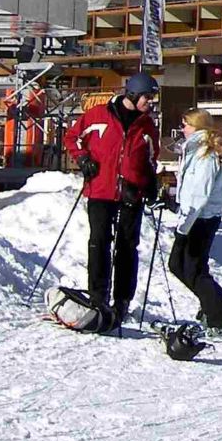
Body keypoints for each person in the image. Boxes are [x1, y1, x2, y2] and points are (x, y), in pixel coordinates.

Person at [63, 73, 161, 335]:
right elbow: (72, 138)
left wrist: (148, 184)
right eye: (147, 97)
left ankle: (122, 300)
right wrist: (83, 160)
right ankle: (98, 296)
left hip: (131, 195)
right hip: (100, 190)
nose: (149, 103)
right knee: (99, 243)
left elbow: (151, 159)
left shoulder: (147, 126)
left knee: (128, 247)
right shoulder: (97, 116)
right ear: (132, 94)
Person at [167, 111, 222, 334]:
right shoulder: (194, 150)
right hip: (193, 216)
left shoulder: (205, 156)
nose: (182, 128)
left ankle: (219, 318)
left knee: (191, 269)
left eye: (185, 124)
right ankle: (212, 301)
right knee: (179, 266)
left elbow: (199, 195)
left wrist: (183, 227)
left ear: (196, 127)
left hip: (201, 219)